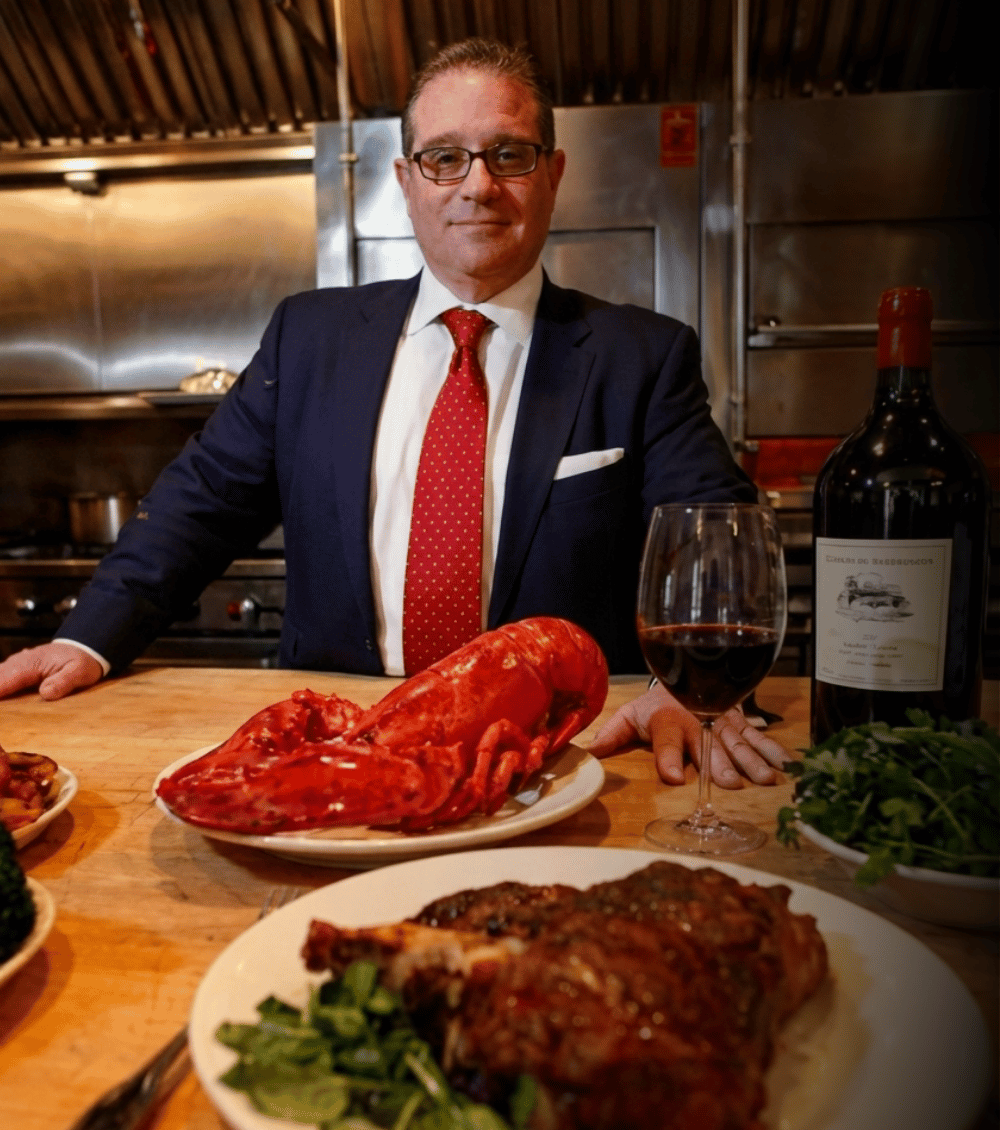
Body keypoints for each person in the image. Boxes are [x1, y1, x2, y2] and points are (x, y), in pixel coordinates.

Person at [0, 39, 788, 788]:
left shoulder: (641, 356)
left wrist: (687, 688)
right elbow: (197, 504)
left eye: (508, 154)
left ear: (552, 174)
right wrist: (87, 636)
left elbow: (716, 542)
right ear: (407, 180)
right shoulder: (309, 338)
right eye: (445, 158)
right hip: (339, 748)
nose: (477, 185)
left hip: (557, 761)